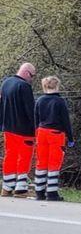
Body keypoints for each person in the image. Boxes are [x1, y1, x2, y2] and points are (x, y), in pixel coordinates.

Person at [33, 76, 74, 201]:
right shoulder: (60, 101)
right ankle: (51, 193)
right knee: (54, 162)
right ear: (57, 86)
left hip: (41, 132)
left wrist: (37, 132)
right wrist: (70, 137)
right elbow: (66, 121)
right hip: (56, 133)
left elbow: (36, 119)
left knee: (41, 162)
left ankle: (39, 192)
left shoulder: (39, 100)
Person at [0, 63, 36, 197]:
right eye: (32, 76)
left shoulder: (6, 82)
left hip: (8, 127)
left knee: (10, 155)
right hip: (24, 129)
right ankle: (21, 188)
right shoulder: (24, 86)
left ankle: (7, 186)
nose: (32, 79)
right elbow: (30, 109)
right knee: (24, 157)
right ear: (27, 73)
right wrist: (36, 127)